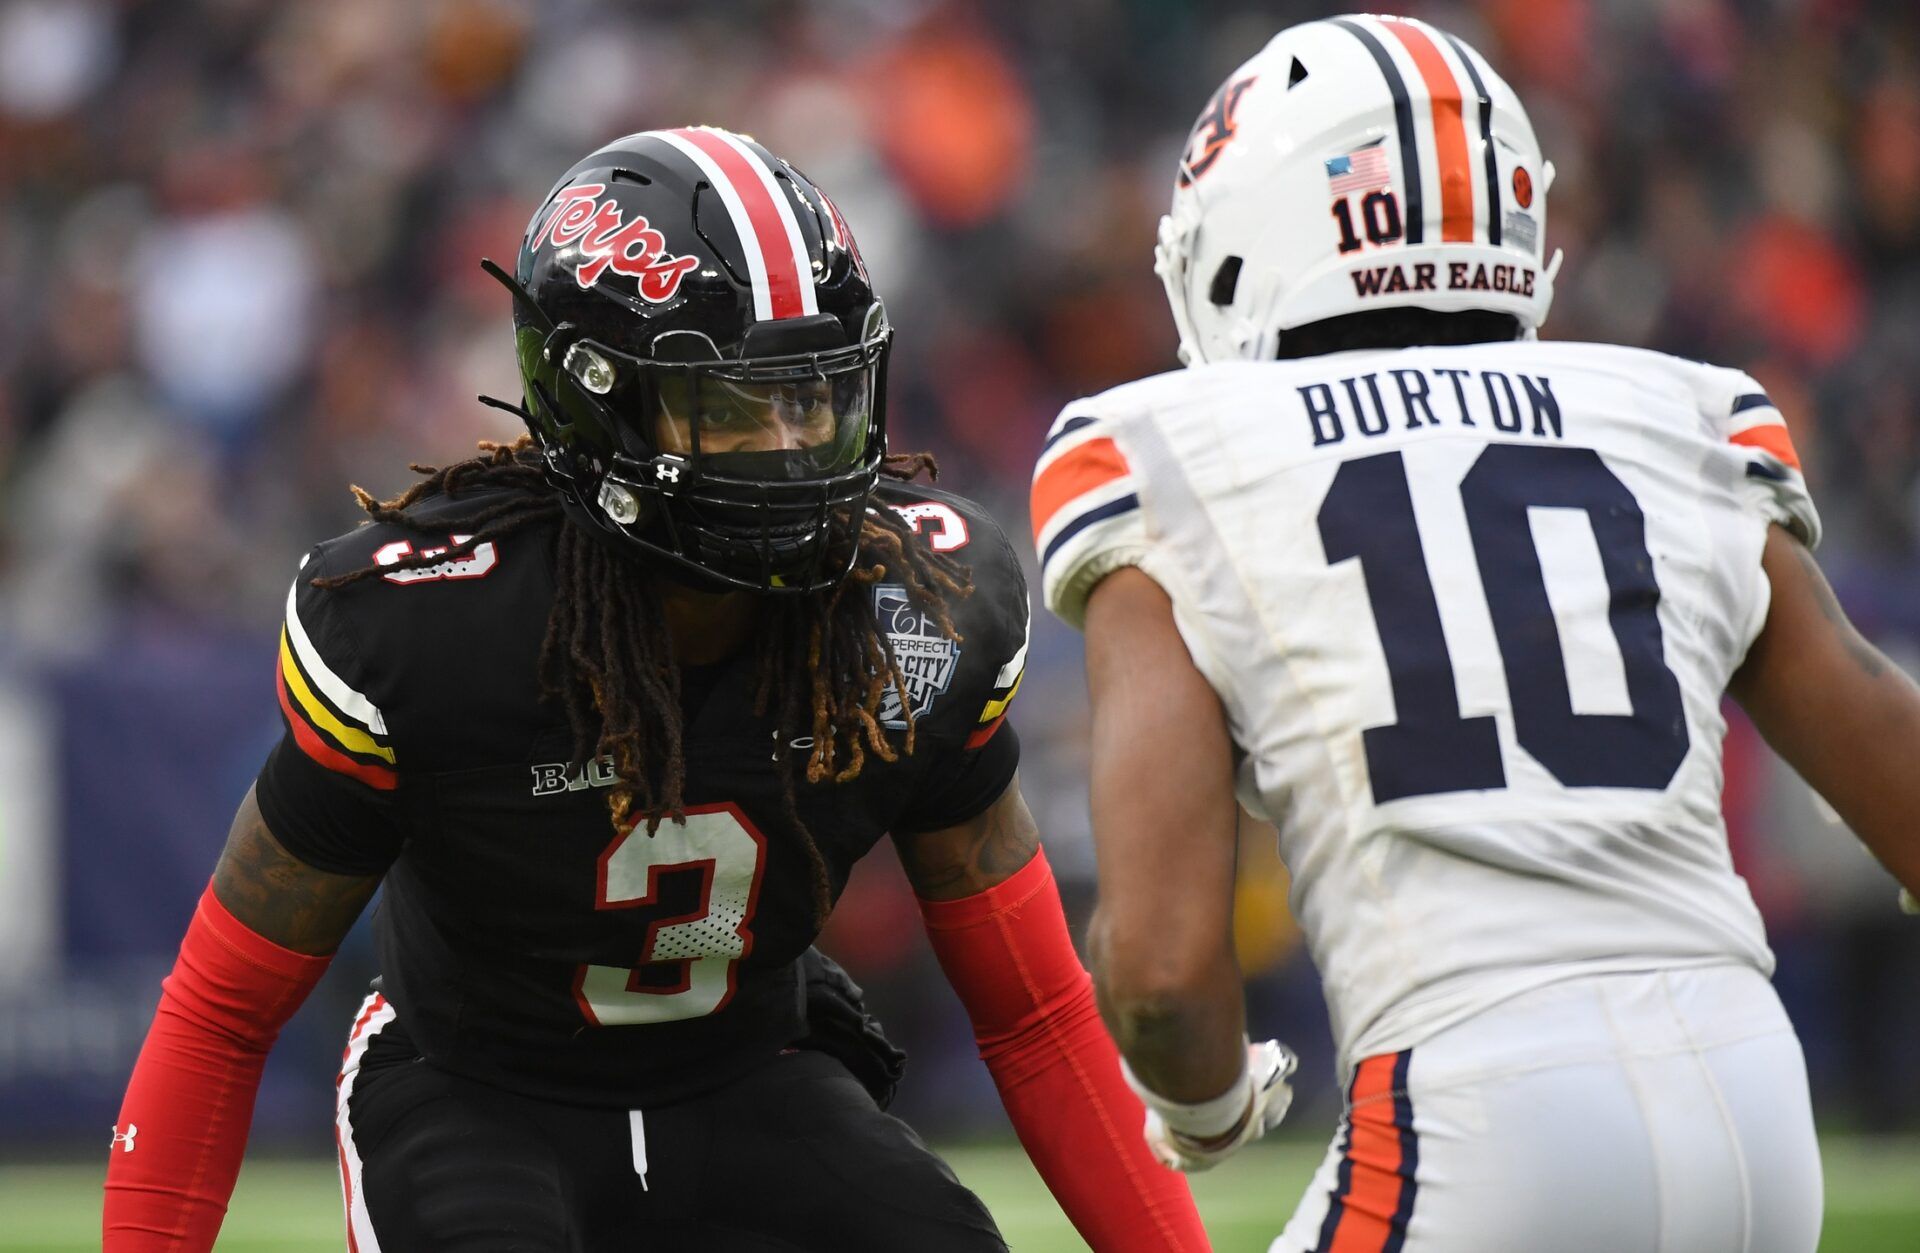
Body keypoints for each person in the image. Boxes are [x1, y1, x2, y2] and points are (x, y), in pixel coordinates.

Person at [105, 127, 1209, 1252]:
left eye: (816, 397)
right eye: (729, 407)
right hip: (471, 1095)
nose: (793, 448)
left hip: (754, 1079)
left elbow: (1034, 1015)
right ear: (596, 408)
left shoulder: (912, 610)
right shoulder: (432, 625)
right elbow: (222, 1014)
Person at [1035, 15, 1920, 1252]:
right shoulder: (1675, 411)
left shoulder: (1168, 450)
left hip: (1475, 1104)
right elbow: (1890, 750)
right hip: (1755, 1101)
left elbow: (1164, 969)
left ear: (1249, 237)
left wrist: (1210, 1105)